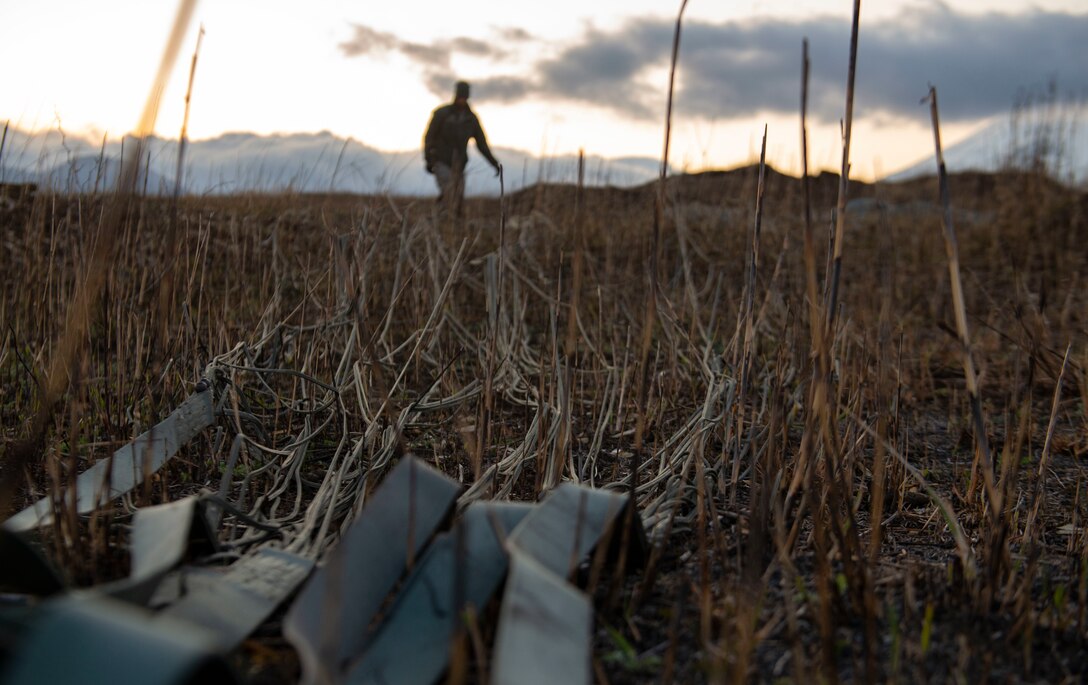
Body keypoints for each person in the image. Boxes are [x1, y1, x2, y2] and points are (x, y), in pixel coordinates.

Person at [423, 80, 500, 216]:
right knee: (449, 192)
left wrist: (494, 163)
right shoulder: (441, 114)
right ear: (455, 95)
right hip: (441, 161)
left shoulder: (471, 119)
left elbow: (482, 144)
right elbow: (429, 137)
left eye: (464, 97)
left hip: (459, 165)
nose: (462, 100)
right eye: (460, 96)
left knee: (457, 199)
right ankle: (438, 220)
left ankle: (447, 222)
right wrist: (428, 159)